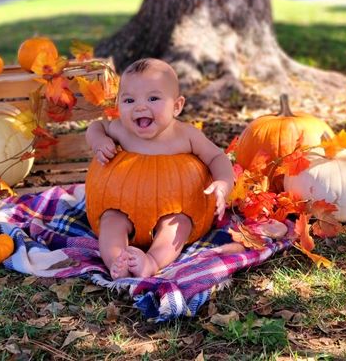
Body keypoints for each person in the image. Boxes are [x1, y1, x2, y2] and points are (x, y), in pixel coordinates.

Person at [85, 57, 244, 279]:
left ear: (177, 106)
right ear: (118, 104)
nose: (140, 106)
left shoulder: (186, 136)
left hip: (175, 207)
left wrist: (223, 183)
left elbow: (217, 157)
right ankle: (117, 261)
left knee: (177, 225)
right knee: (110, 220)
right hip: (119, 203)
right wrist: (99, 141)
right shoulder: (120, 129)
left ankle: (152, 261)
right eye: (129, 100)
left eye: (153, 98)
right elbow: (96, 126)